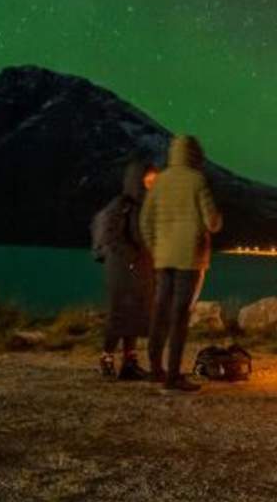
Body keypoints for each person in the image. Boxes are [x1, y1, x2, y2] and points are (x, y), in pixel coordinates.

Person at [139, 134, 223, 393]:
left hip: (163, 258)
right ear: (194, 154)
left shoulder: (160, 181)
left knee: (160, 311)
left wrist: (156, 248)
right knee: (179, 316)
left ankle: (155, 370)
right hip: (190, 258)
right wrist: (217, 222)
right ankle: (173, 376)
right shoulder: (197, 180)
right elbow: (212, 222)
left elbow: (145, 221)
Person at [90, 156, 154, 380]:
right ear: (136, 180)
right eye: (147, 180)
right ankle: (106, 359)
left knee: (135, 315)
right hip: (120, 268)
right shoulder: (121, 204)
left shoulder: (145, 206)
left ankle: (130, 363)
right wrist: (131, 257)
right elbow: (111, 237)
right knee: (120, 315)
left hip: (141, 268)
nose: (151, 184)